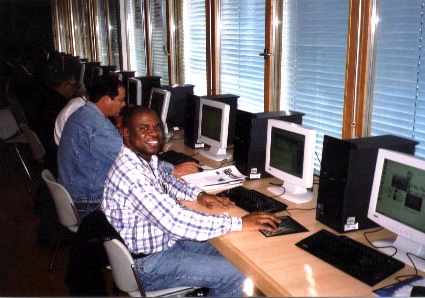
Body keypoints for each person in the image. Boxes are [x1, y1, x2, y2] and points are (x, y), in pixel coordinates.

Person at [101, 106, 280, 297]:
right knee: (236, 274)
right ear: (126, 133)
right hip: (149, 264)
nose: (154, 133)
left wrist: (199, 195)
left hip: (164, 243)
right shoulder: (132, 175)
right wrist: (239, 222)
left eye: (156, 127)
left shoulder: (143, 159)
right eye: (144, 128)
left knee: (235, 255)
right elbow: (174, 221)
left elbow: (166, 178)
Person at [58, 76, 126, 219]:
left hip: (73, 193)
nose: (124, 104)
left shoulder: (82, 114)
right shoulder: (97, 126)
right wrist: (172, 169)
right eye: (120, 100)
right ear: (106, 99)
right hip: (87, 203)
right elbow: (128, 160)